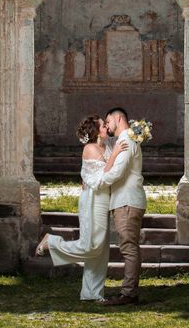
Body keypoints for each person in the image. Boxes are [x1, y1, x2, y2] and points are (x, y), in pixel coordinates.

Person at [35, 115, 128, 301]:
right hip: (93, 199)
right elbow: (100, 179)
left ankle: (91, 293)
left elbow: (123, 136)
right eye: (103, 125)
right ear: (96, 130)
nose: (106, 126)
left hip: (104, 199)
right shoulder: (90, 149)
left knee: (101, 251)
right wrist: (116, 154)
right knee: (91, 246)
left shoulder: (107, 144)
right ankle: (51, 242)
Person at [97, 107, 146, 306]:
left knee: (128, 247)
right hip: (125, 200)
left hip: (127, 201)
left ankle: (128, 294)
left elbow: (117, 172)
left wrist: (97, 181)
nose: (107, 126)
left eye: (108, 121)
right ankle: (129, 292)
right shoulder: (126, 139)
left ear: (118, 118)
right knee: (128, 246)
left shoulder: (126, 139)